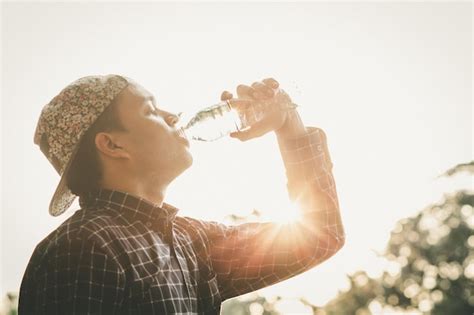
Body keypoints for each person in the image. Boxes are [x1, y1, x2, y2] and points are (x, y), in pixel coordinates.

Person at [18, 74, 345, 314]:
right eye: (150, 110)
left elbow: (319, 235)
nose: (172, 116)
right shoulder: (82, 248)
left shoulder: (191, 241)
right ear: (113, 144)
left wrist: (288, 124)